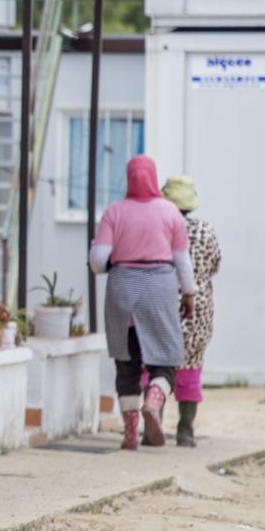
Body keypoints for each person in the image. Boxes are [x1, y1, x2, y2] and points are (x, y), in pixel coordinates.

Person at [89, 156, 196, 450]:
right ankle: (154, 399)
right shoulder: (171, 213)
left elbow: (98, 262)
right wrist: (188, 294)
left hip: (122, 287)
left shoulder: (114, 212)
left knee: (127, 365)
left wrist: (117, 263)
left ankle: (130, 432)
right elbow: (183, 262)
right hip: (159, 288)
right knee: (167, 360)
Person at [158, 175, 220, 447]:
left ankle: (155, 423)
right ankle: (185, 430)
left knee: (158, 365)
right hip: (198, 312)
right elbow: (216, 264)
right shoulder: (205, 230)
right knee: (191, 368)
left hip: (163, 307)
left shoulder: (159, 229)